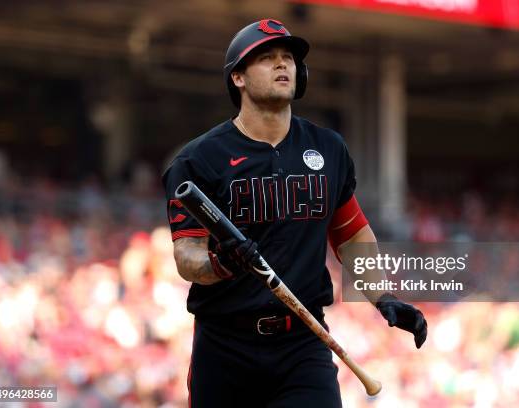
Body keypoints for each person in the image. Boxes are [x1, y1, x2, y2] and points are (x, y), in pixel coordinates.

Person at [162, 18, 427, 407]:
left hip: (304, 343)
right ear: (237, 77)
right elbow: (187, 257)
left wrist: (383, 296)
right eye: (267, 58)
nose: (282, 64)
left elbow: (352, 235)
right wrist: (220, 263)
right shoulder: (199, 159)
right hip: (225, 347)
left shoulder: (328, 147)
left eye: (288, 58)